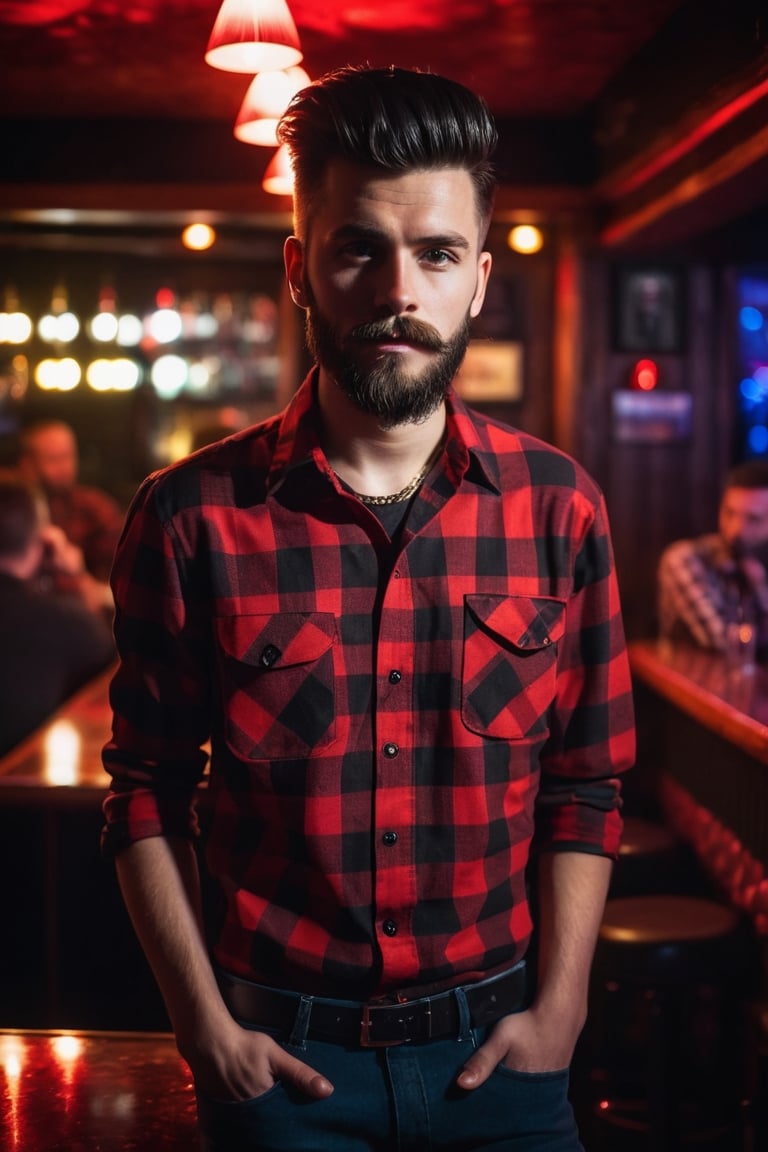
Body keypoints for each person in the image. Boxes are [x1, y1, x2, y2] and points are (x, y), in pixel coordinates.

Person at [101, 65, 635, 1152]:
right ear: (302, 268)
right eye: (359, 247)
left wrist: (565, 1008)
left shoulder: (560, 508)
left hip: (506, 1067)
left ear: (478, 279)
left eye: (436, 253)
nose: (399, 288)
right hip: (283, 1075)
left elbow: (586, 786)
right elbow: (144, 793)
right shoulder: (188, 517)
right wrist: (204, 1030)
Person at [0, 470, 115, 757]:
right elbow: (114, 660)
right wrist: (77, 577)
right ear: (41, 539)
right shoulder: (66, 623)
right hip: (20, 794)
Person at [657, 459, 768, 656]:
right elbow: (724, 643)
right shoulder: (686, 559)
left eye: (753, 519)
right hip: (689, 682)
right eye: (729, 513)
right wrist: (759, 586)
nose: (736, 530)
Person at [17, 419, 124, 611]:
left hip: (78, 624)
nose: (64, 467)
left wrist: (77, 572)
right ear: (27, 464)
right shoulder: (11, 509)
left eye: (68, 456)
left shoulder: (96, 509)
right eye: (53, 459)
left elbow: (119, 594)